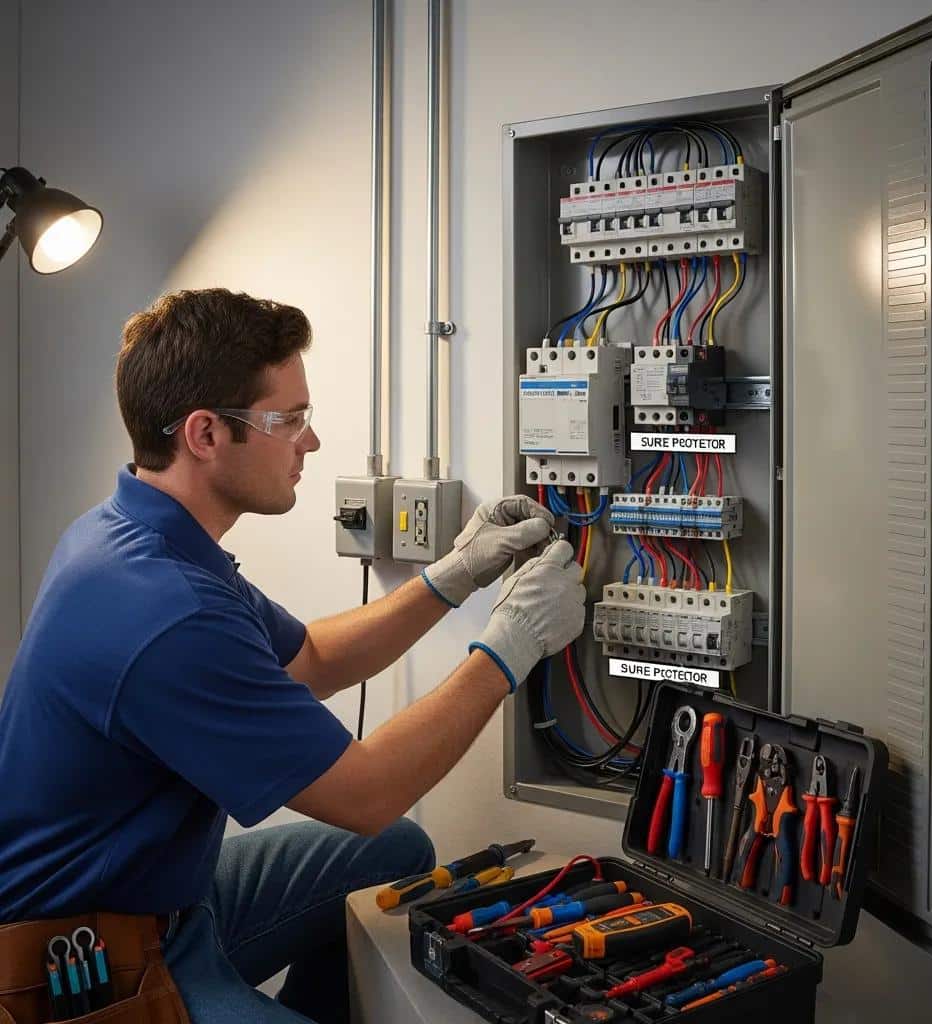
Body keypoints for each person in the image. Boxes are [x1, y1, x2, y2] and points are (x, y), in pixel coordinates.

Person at [0, 288, 585, 1023]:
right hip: (91, 956)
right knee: (382, 823)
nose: (309, 441)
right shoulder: (162, 610)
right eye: (290, 420)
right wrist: (511, 645)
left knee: (397, 853)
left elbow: (307, 657)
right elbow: (364, 795)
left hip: (172, 896)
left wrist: (453, 574)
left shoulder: (135, 533)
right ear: (205, 434)